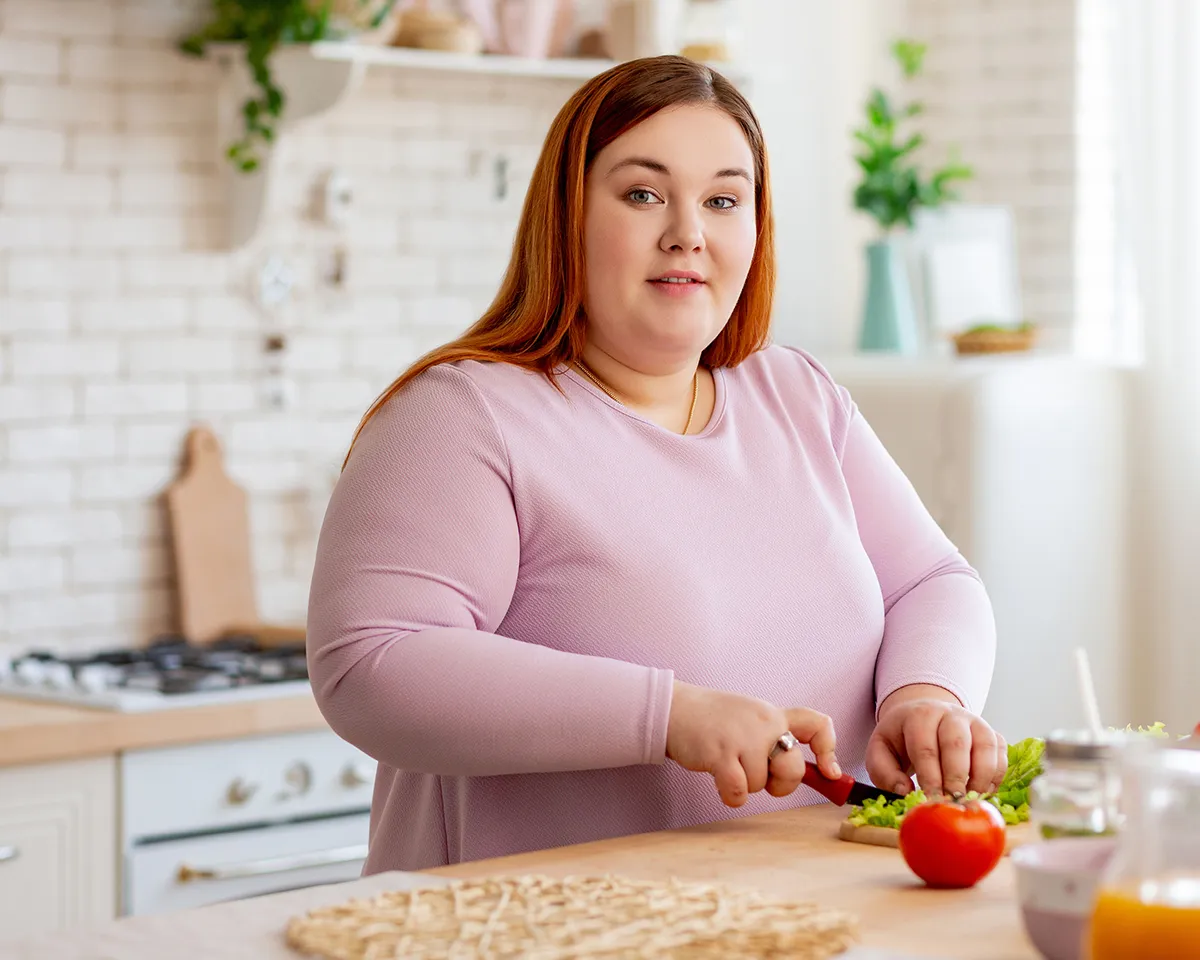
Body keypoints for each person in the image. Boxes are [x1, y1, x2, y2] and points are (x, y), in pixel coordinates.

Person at [307, 55, 1002, 874]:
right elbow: (372, 662)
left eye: (722, 199)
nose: (689, 232)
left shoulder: (795, 394)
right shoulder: (464, 416)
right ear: (565, 217)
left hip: (802, 922)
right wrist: (668, 716)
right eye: (643, 194)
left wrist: (925, 695)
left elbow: (931, 581)